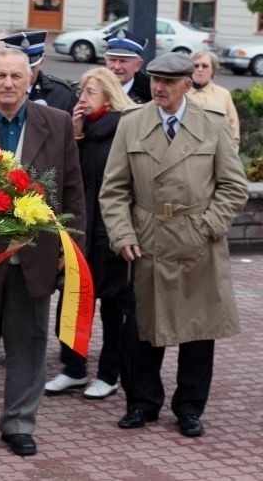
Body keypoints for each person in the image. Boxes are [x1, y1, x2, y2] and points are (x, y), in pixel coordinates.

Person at [99, 52, 248, 438]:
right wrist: (123, 234)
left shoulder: (212, 124)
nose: (159, 88)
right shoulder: (132, 123)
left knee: (198, 331)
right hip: (149, 239)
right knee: (144, 328)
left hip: (199, 241)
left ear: (187, 84)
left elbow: (234, 186)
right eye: (154, 80)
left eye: (168, 81)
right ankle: (142, 403)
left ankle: (189, 409)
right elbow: (113, 190)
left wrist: (209, 225)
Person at [0, 48, 85, 456]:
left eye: (16, 76)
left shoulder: (57, 124)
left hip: (36, 257)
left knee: (29, 343)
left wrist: (69, 248)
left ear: (30, 79)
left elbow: (74, 190)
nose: (8, 83)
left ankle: (19, 423)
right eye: (0, 75)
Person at [44, 67, 131, 399]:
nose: (82, 99)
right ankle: (74, 368)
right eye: (81, 92)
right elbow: (66, 175)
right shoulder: (79, 129)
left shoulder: (122, 127)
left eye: (90, 93)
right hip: (80, 228)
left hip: (108, 231)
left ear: (108, 96)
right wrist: (76, 132)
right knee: (74, 298)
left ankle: (110, 374)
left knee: (112, 304)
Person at [0, 31, 77, 114]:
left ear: (41, 63)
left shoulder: (61, 94)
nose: (27, 73)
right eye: (19, 70)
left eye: (31, 67)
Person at [188, 50, 240, 150]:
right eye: (196, 66)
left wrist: (232, 152)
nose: (200, 69)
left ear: (213, 69)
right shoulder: (180, 93)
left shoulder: (223, 94)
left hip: (217, 153)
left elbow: (233, 127)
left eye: (205, 66)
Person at [103, 29, 151, 104]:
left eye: (123, 61)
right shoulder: (87, 89)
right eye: (112, 60)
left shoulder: (151, 95)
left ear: (138, 65)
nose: (117, 67)